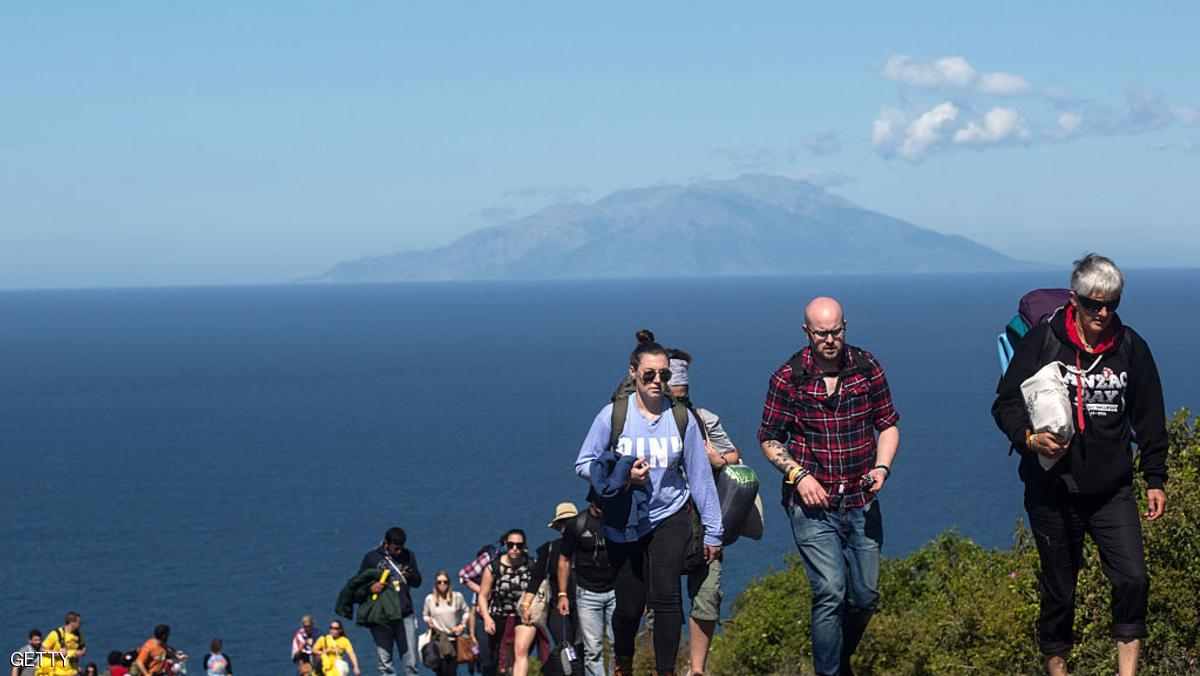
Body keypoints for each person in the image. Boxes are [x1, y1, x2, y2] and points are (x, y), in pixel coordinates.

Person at [992, 253, 1167, 676]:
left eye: (1112, 304)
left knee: (1132, 580)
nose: (1103, 314)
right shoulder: (1042, 342)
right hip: (1052, 490)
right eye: (1093, 304)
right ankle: (1059, 670)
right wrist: (1030, 439)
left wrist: (1155, 479)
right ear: (1074, 300)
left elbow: (1149, 415)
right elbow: (1006, 403)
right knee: (1059, 592)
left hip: (1112, 489)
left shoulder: (1130, 346)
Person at [758, 297, 900, 676]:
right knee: (831, 590)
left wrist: (882, 469)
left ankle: (839, 659)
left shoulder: (867, 368)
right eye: (821, 333)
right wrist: (798, 476)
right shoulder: (787, 377)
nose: (830, 339)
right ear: (807, 332)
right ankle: (829, 673)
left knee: (866, 595)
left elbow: (887, 424)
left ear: (845, 327)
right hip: (812, 507)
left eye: (836, 331)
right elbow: (769, 439)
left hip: (861, 498)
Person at [575, 337, 723, 676]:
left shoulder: (680, 418)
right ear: (633, 374)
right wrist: (624, 475)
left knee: (668, 598)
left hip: (670, 515)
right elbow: (583, 463)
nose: (658, 382)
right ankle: (624, 660)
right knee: (628, 607)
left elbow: (699, 478)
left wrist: (714, 531)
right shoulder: (614, 416)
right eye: (649, 375)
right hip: (624, 520)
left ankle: (665, 671)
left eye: (664, 375)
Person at [665, 348, 741, 676]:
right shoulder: (644, 425)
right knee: (660, 605)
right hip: (663, 525)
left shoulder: (705, 419)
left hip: (705, 521)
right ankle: (663, 666)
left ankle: (697, 669)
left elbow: (733, 454)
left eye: (685, 396)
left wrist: (717, 460)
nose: (682, 402)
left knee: (708, 598)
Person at [557, 494, 615, 676]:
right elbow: (564, 559)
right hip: (587, 592)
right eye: (600, 505)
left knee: (619, 644)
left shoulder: (618, 520)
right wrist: (562, 594)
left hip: (616, 590)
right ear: (592, 503)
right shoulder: (576, 524)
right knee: (593, 649)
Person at [520, 504, 577, 676]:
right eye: (563, 522)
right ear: (558, 526)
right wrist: (525, 605)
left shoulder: (586, 545)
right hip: (556, 607)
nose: (567, 526)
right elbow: (536, 578)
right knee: (564, 645)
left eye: (571, 522)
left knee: (584, 648)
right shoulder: (549, 549)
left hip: (586, 603)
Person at [359, 527, 422, 676]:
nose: (399, 552)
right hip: (381, 617)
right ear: (386, 543)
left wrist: (410, 576)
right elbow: (358, 584)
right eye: (395, 548)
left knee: (411, 662)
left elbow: (418, 582)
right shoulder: (371, 558)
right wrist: (370, 587)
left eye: (401, 548)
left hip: (404, 614)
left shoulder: (408, 555)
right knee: (385, 664)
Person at [477, 529, 535, 676]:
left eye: (519, 545)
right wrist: (487, 618)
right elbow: (483, 596)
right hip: (500, 616)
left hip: (524, 615)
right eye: (511, 545)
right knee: (506, 660)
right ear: (505, 545)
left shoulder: (531, 565)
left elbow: (540, 589)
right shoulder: (493, 567)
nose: (515, 549)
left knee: (521, 651)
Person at [458, 539, 505, 676]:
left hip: (503, 614)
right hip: (483, 616)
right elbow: (463, 575)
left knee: (500, 659)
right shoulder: (488, 559)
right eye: (509, 545)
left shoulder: (517, 562)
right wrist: (482, 591)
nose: (514, 549)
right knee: (488, 659)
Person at [422, 570, 471, 676]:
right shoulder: (430, 599)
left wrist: (462, 625)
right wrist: (429, 622)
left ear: (449, 583)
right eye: (439, 582)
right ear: (436, 584)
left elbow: (466, 611)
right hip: (438, 640)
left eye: (445, 582)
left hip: (453, 639)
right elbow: (425, 614)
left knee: (452, 670)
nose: (442, 584)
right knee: (441, 671)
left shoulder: (457, 597)